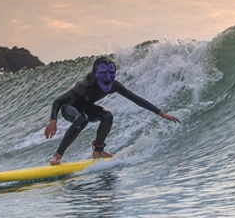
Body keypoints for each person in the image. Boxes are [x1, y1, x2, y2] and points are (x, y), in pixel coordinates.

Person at [44, 56, 181, 165]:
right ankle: (57, 155)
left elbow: (136, 99)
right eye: (103, 73)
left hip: (86, 108)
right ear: (95, 74)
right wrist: (53, 121)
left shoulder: (113, 85)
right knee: (82, 119)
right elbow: (58, 101)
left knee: (107, 116)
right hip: (69, 108)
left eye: (112, 73)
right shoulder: (84, 86)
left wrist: (162, 114)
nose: (108, 77)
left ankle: (99, 151)